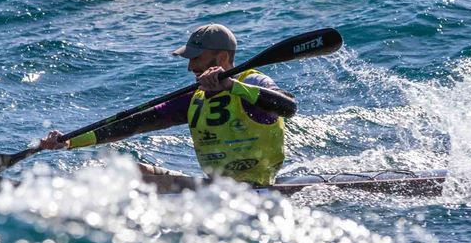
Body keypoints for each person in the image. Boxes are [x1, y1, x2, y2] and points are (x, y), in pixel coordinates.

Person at [39, 24, 297, 186]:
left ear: (221, 57)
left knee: (136, 185)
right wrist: (71, 142)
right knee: (126, 171)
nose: (190, 66)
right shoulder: (194, 99)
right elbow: (135, 124)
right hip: (217, 188)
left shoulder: (250, 81)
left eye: (196, 58)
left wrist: (232, 87)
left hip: (257, 187)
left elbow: (288, 107)